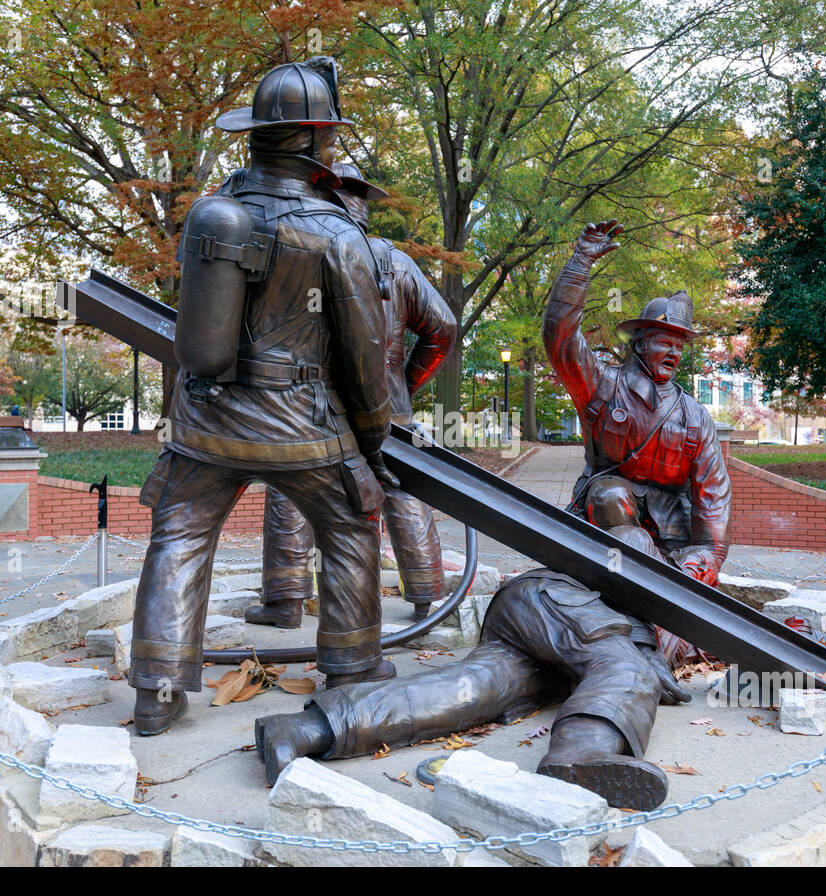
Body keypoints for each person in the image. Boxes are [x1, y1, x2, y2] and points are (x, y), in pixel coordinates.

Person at [128, 57, 395, 735]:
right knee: (350, 528)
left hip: (204, 422)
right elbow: (366, 354)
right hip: (302, 427)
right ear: (315, 141)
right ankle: (353, 666)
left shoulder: (212, 215)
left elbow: (196, 327)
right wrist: (372, 436)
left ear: (257, 135)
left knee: (179, 536)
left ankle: (156, 689)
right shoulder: (339, 235)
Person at [254, 526, 691, 811]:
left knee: (469, 689)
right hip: (556, 605)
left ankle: (304, 729)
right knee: (628, 667)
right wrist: (648, 650)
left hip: (543, 641)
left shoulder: (689, 609)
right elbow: (625, 569)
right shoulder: (646, 549)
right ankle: (580, 752)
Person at [247, 163, 456, 629]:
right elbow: (443, 328)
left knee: (291, 486)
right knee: (403, 488)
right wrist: (401, 383)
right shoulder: (394, 261)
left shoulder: (299, 250)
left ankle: (284, 602)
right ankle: (427, 599)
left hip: (314, 404)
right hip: (387, 406)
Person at [543, 220, 732, 663]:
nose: (673, 354)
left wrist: (706, 558)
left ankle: (663, 630)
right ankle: (652, 626)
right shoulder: (602, 386)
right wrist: (580, 263)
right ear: (640, 344)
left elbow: (713, 497)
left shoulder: (693, 416)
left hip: (673, 533)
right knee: (611, 496)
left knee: (677, 560)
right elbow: (560, 338)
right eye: (664, 343)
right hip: (608, 516)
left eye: (680, 348)